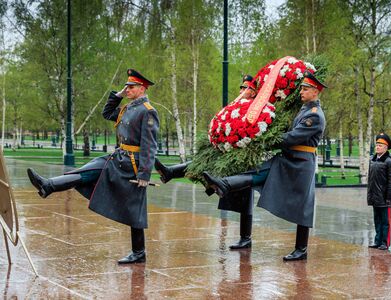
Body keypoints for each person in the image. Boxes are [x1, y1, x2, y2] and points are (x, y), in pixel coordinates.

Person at [27, 69, 159, 264]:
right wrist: (117, 96)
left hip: (131, 165)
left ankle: (139, 253)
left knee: (134, 209)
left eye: (131, 87)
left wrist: (145, 174)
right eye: (127, 86)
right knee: (88, 171)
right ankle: (48, 185)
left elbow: (150, 145)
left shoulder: (147, 111)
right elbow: (106, 113)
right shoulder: (128, 107)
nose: (127, 89)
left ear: (142, 88)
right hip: (118, 157)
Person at [203, 70, 327, 261]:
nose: (301, 91)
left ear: (316, 91)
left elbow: (294, 137)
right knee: (259, 171)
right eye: (301, 88)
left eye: (305, 88)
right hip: (289, 159)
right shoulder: (304, 109)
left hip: (301, 163)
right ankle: (223, 184)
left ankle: (301, 249)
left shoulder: (315, 115)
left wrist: (267, 140)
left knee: (303, 206)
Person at [154, 74, 257, 250]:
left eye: (246, 88)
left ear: (254, 92)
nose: (242, 91)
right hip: (228, 149)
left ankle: (245, 238)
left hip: (245, 154)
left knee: (245, 197)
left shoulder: (256, 108)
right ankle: (170, 172)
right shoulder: (235, 107)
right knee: (203, 163)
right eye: (241, 88)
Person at [367, 133, 391, 251]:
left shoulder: (390, 162)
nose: (377, 147)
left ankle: (385, 242)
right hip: (375, 197)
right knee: (377, 220)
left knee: (385, 222)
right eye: (377, 145)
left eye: (380, 145)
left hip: (385, 198)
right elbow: (371, 180)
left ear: (386, 147)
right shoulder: (373, 160)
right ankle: (377, 241)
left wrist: (390, 198)